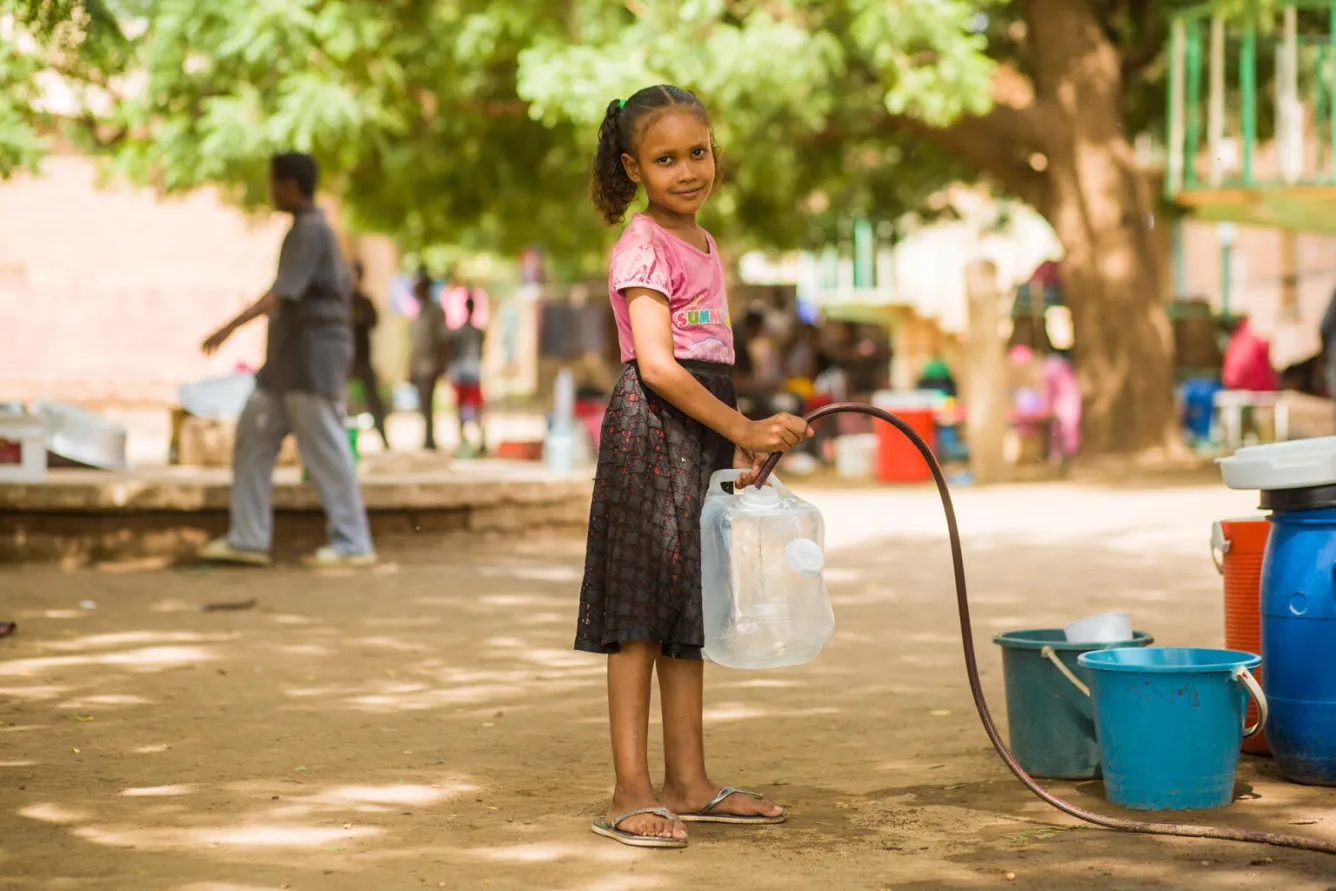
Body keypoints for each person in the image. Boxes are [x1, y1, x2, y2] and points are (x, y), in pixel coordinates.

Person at [577, 84, 811, 850]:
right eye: (665, 157)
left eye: (698, 152)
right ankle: (628, 790)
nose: (687, 170)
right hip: (650, 434)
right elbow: (657, 365)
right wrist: (741, 422)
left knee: (689, 614)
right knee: (639, 619)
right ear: (633, 166)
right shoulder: (642, 243)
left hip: (701, 432)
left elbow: (711, 358)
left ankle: (690, 781)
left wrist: (738, 442)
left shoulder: (708, 245)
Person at [197, 152, 376, 568]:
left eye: (275, 182)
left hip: (313, 363)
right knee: (253, 440)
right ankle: (248, 538)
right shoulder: (304, 230)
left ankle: (353, 542)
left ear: (291, 185)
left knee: (325, 449)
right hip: (284, 365)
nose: (271, 190)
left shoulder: (311, 231)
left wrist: (229, 327)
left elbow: (281, 293)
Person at [348, 261, 391, 449]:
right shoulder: (340, 301)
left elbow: (373, 322)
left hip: (362, 359)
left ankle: (383, 437)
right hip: (344, 360)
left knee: (373, 400)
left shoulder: (364, 302)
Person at [408, 271, 447, 451]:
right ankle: (427, 438)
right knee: (423, 404)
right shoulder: (419, 313)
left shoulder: (435, 312)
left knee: (428, 403)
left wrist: (442, 365)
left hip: (430, 365)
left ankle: (430, 439)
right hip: (419, 365)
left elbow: (442, 340)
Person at [447, 291, 487, 457]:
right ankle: (466, 440)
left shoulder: (473, 332)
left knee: (474, 408)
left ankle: (476, 440)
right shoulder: (468, 332)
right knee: (467, 408)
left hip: (469, 372)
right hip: (467, 372)